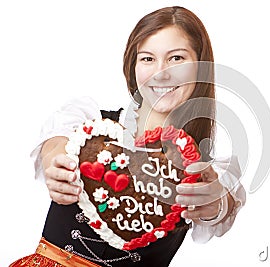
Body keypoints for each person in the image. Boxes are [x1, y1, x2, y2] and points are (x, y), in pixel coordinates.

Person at [10, 6, 245, 267]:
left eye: (177, 58)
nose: (161, 72)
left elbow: (223, 205)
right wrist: (55, 162)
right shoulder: (89, 124)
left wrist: (216, 203)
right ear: (132, 66)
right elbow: (56, 144)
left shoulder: (201, 172)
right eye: (147, 59)